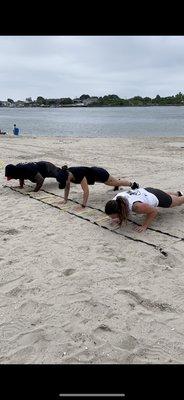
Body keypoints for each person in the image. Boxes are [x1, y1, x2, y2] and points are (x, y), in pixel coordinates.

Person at [105, 187, 184, 233]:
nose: (112, 218)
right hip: (146, 191)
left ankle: (179, 196)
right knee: (166, 195)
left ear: (120, 210)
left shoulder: (136, 207)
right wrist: (118, 218)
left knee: (178, 202)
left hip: (156, 197)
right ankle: (177, 193)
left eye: (114, 216)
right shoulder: (115, 200)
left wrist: (144, 226)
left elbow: (154, 211)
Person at [58, 165, 139, 209]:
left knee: (114, 182)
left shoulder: (79, 175)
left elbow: (86, 191)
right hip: (93, 175)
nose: (66, 183)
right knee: (113, 182)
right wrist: (65, 200)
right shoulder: (67, 175)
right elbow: (67, 187)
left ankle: (133, 185)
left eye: (66, 181)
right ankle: (116, 186)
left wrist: (83, 205)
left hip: (100, 174)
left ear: (67, 176)